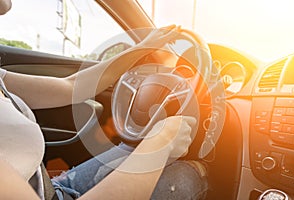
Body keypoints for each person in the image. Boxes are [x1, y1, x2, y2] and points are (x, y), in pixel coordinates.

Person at [0, 0, 208, 199]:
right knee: (192, 174)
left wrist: (142, 48)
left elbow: (72, 87)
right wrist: (162, 141)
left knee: (131, 149)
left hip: (51, 190)